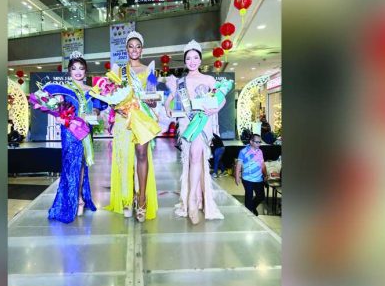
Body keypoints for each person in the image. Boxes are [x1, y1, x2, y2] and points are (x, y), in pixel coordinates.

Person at [41, 52, 107, 223]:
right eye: (74, 68)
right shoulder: (63, 90)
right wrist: (59, 112)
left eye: (81, 68)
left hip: (85, 131)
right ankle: (74, 199)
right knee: (71, 164)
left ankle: (79, 197)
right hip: (70, 132)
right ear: (69, 71)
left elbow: (98, 108)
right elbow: (50, 104)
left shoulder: (92, 91)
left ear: (86, 71)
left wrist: (95, 112)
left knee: (83, 163)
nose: (78, 72)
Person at [165, 40, 225, 224]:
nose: (192, 61)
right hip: (186, 122)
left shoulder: (208, 80)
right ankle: (195, 199)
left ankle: (192, 200)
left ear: (200, 59)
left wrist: (215, 109)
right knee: (191, 160)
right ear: (185, 61)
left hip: (203, 122)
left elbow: (220, 99)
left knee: (196, 154)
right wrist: (168, 107)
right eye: (188, 58)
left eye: (196, 57)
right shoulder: (180, 82)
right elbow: (170, 99)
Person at [104, 31, 160, 222]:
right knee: (125, 158)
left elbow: (152, 98)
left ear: (141, 50)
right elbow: (110, 96)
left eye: (138, 46)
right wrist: (116, 107)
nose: (134, 49)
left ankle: (142, 199)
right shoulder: (119, 72)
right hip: (123, 119)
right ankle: (127, 198)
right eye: (131, 46)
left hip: (141, 118)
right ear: (126, 49)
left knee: (142, 155)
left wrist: (151, 100)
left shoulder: (149, 71)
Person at [235, 133, 268, 216]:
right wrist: (237, 176)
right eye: (257, 142)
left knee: (261, 197)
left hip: (259, 179)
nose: (259, 144)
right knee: (249, 197)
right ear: (251, 142)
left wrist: (265, 175)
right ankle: (249, 215)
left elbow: (262, 164)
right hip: (247, 179)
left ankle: (253, 207)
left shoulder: (260, 151)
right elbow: (238, 164)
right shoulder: (243, 152)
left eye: (260, 142)